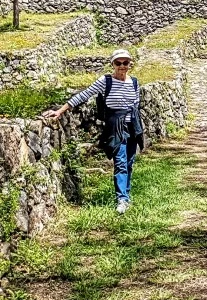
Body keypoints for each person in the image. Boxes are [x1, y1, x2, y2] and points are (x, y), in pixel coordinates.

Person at [43, 49, 144, 214]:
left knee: (129, 163)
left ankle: (126, 195)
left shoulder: (134, 82)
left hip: (133, 127)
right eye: (118, 63)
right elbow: (84, 94)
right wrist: (60, 111)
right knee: (120, 162)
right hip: (115, 128)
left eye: (125, 63)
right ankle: (122, 199)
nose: (122, 66)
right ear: (112, 64)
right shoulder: (106, 81)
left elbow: (136, 105)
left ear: (129, 64)